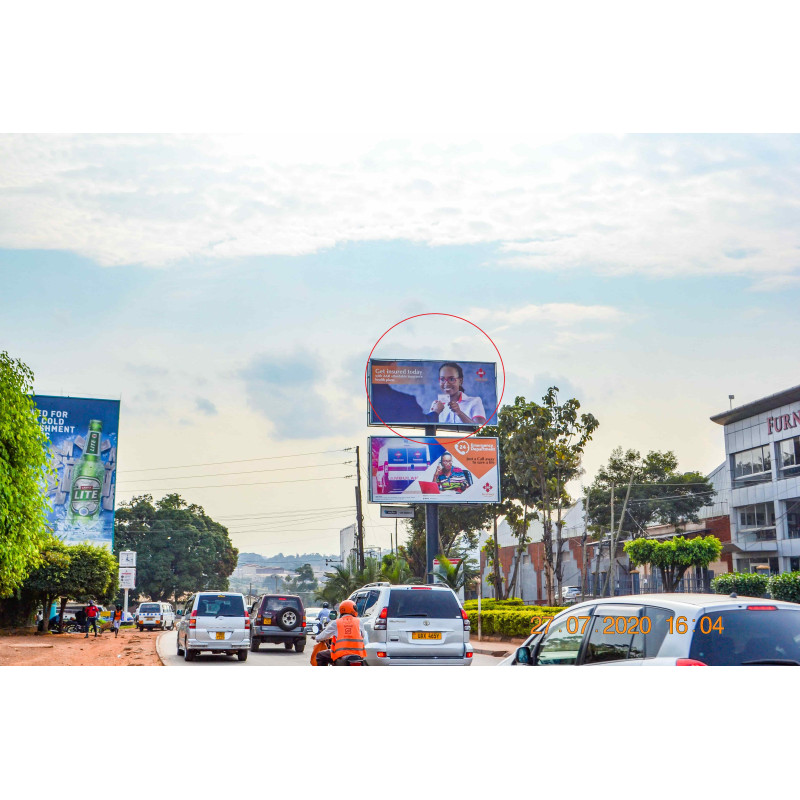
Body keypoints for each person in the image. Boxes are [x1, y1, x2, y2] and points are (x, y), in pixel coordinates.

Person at [313, 600, 366, 665]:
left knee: (320, 655)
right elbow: (363, 636)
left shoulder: (336, 622)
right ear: (352, 609)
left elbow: (324, 635)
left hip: (341, 654)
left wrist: (317, 638)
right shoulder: (359, 622)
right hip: (358, 654)